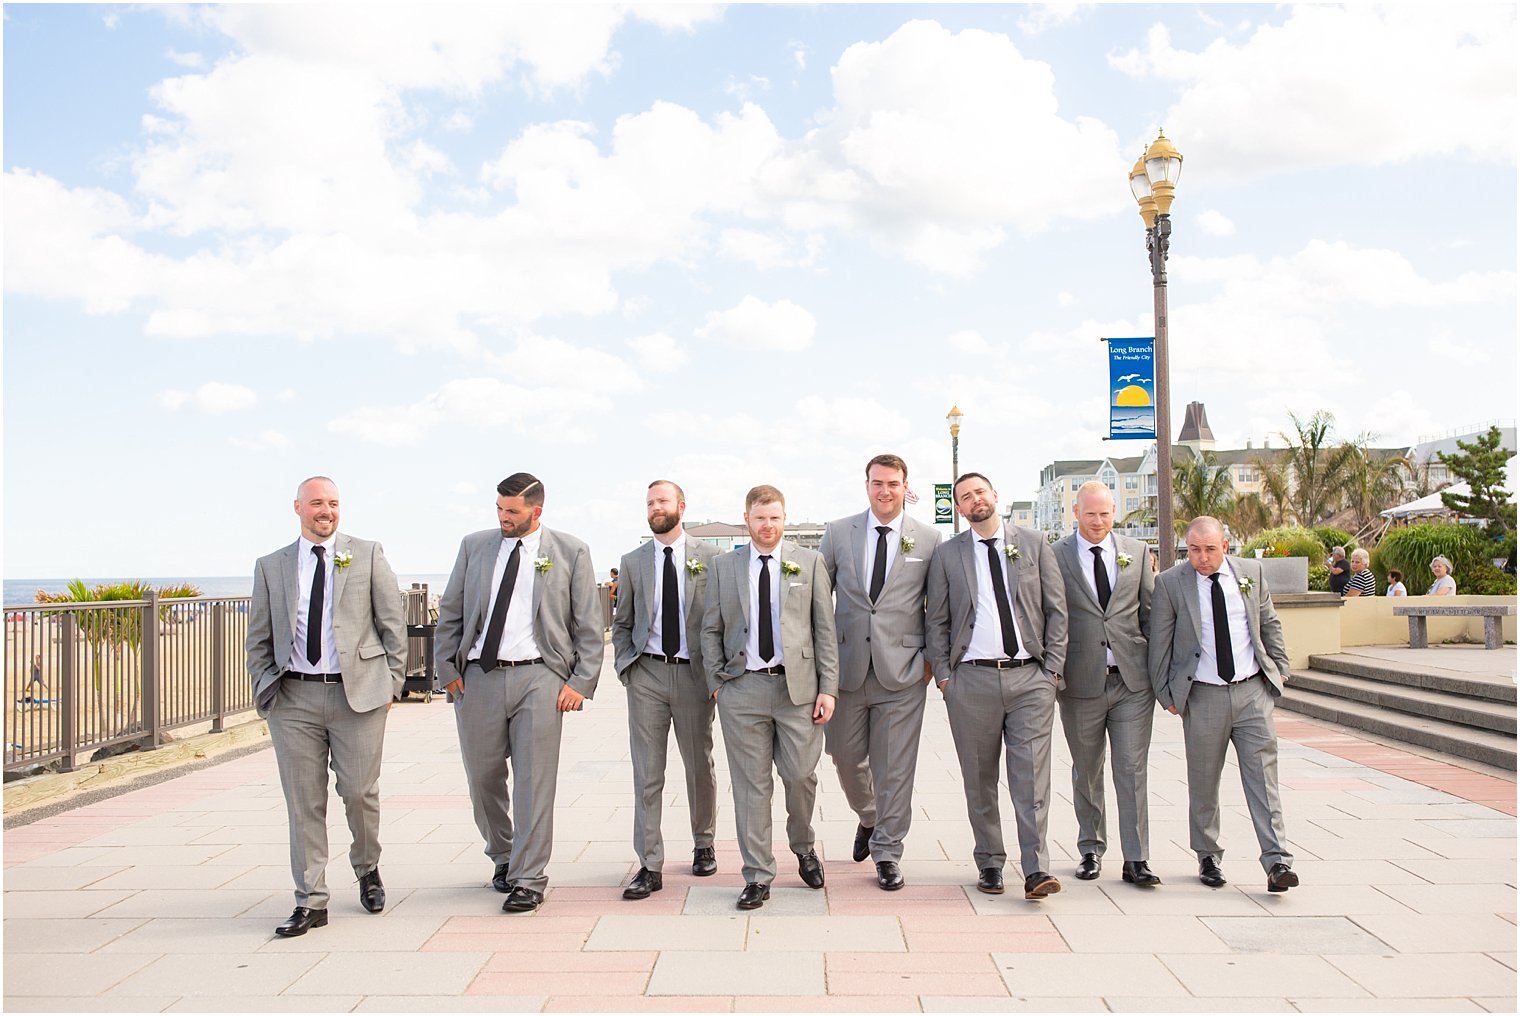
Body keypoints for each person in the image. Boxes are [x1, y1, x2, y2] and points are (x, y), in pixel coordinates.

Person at [435, 472, 604, 914]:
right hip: (478, 678)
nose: (503, 518)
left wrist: (580, 682)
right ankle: (504, 855)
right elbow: (451, 611)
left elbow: (589, 624)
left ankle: (529, 877)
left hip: (540, 679)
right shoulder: (475, 546)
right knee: (483, 777)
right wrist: (448, 671)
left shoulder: (570, 551)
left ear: (537, 511)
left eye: (512, 511)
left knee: (533, 781)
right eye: (499, 509)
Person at [246, 476, 407, 937]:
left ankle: (367, 868)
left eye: (334, 503)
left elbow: (392, 623)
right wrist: (266, 688)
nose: (327, 511)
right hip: (292, 698)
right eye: (317, 503)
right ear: (297, 507)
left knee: (359, 792)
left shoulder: (367, 553)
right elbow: (258, 637)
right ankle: (311, 900)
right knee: (304, 803)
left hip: (356, 696)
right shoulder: (270, 566)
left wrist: (391, 686)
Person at [926, 472, 1068, 901]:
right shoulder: (948, 554)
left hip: (1030, 678)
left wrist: (1052, 672)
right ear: (961, 508)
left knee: (1030, 778)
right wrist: (946, 677)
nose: (974, 501)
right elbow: (937, 620)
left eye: (980, 493)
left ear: (995, 496)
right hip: (971, 680)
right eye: (965, 497)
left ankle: (1037, 868)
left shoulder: (1033, 543)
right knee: (979, 776)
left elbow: (1056, 609)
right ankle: (989, 861)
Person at [701, 484, 839, 911]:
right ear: (747, 519)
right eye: (760, 518)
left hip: (797, 690)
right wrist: (718, 684)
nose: (768, 525)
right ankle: (758, 874)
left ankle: (803, 844)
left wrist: (828, 688)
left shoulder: (810, 562)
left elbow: (825, 631)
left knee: (800, 775)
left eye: (775, 517)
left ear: (785, 518)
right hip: (741, 690)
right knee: (750, 787)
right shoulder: (725, 567)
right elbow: (709, 629)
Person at [1149, 516, 1298, 894]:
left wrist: (1279, 670)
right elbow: (1159, 642)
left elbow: (1268, 623)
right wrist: (1166, 695)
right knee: (1204, 782)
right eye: (1194, 550)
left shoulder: (1251, 573)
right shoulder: (1170, 583)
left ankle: (1277, 860)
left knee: (1264, 779)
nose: (1202, 558)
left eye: (1209, 550)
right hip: (1202, 695)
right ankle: (1208, 855)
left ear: (1225, 546)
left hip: (1252, 693)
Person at [819, 454, 943, 891]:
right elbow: (819, 599)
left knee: (894, 768)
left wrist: (930, 663)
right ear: (866, 485)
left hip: (904, 672)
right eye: (877, 483)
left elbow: (938, 607)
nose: (884, 491)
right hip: (846, 671)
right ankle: (870, 817)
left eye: (892, 483)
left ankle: (888, 851)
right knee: (845, 757)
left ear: (905, 485)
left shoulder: (928, 539)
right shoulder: (837, 534)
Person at [610, 480, 721, 899]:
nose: (656, 508)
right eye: (650, 503)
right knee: (647, 772)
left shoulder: (711, 559)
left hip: (695, 676)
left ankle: (704, 843)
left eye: (663, 501)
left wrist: (716, 678)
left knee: (699, 764)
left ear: (681, 506)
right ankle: (649, 863)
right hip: (648, 675)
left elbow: (723, 618)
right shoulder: (634, 561)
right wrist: (627, 669)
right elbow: (622, 623)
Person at [1052, 481, 1160, 888]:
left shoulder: (1137, 551)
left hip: (1132, 681)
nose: (1098, 522)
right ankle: (1090, 848)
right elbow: (1050, 613)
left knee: (1131, 770)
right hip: (1080, 682)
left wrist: (1156, 674)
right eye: (1090, 513)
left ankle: (1137, 858)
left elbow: (1149, 615)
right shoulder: (1056, 555)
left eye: (1105, 513)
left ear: (1114, 512)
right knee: (1087, 770)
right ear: (1075, 512)